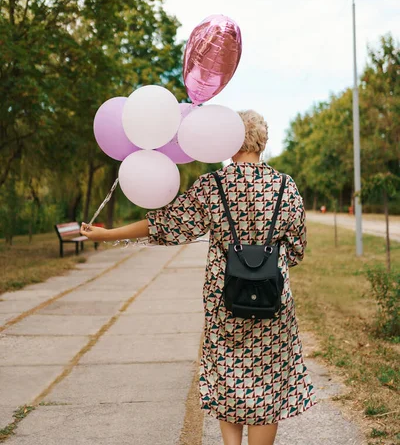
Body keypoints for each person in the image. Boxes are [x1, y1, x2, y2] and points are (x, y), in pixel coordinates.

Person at [81, 110, 317, 445]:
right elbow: (296, 250)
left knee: (228, 379)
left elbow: (164, 224)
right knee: (266, 384)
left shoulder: (212, 186)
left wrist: (105, 235)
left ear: (229, 140)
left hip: (224, 303)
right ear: (262, 144)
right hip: (272, 305)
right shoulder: (286, 187)